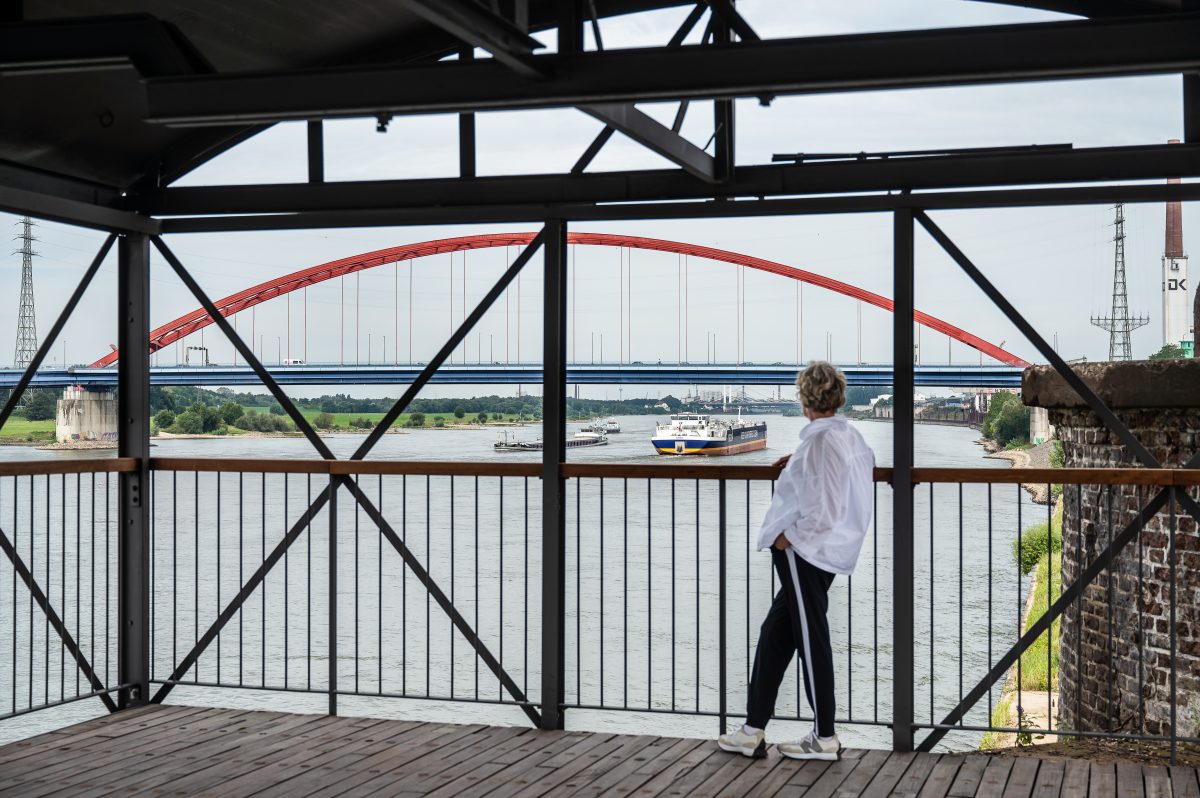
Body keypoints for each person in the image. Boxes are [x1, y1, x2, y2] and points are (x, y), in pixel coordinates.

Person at [717, 361, 875, 760]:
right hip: (821, 553)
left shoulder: (821, 444)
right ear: (838, 396)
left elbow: (823, 506)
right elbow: (844, 478)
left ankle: (824, 737)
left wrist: (788, 539)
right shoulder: (846, 436)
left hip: (804, 554)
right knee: (776, 635)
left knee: (811, 639)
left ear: (805, 398)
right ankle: (753, 729)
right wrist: (799, 462)